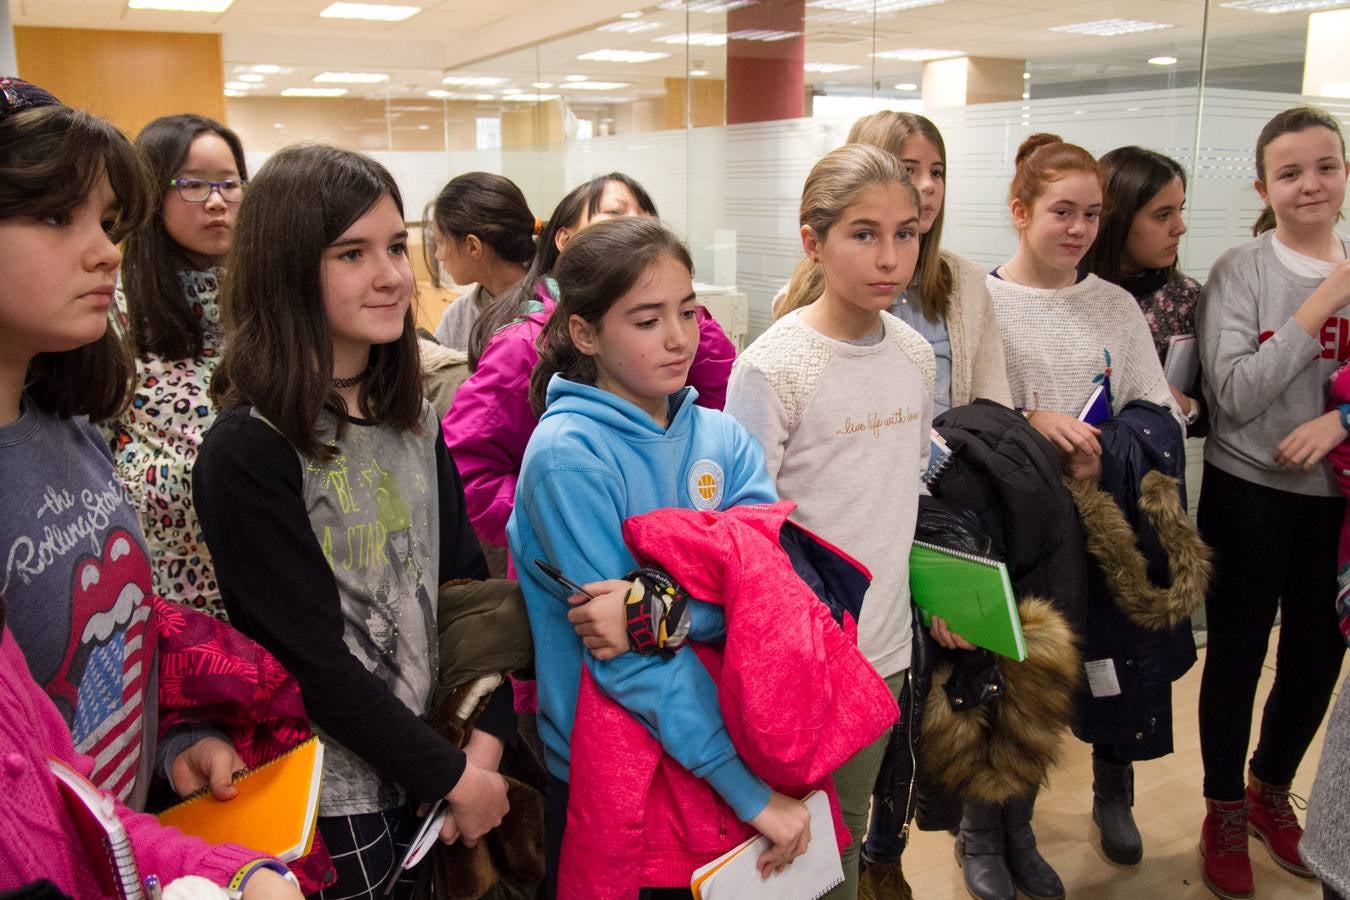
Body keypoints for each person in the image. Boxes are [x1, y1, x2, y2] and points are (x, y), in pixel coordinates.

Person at [193, 144, 515, 900]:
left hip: (440, 768)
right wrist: (455, 777)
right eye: (352, 252)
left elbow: (466, 593)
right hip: (332, 799)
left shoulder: (414, 417)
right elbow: (310, 663)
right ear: (287, 268)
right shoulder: (250, 447)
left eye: (396, 245)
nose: (393, 275)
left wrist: (485, 752)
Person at [506, 216, 811, 898]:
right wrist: (745, 790)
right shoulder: (569, 457)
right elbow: (626, 665)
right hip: (621, 762)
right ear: (584, 333)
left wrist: (662, 613)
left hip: (728, 738)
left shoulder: (723, 440)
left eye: (688, 311)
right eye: (646, 320)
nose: (678, 338)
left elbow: (773, 597)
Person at [0, 74, 260, 818]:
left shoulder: (67, 422)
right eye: (55, 217)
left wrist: (177, 739)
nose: (104, 252)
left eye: (109, 222)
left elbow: (105, 649)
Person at [725, 143, 939, 900]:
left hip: (884, 649)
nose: (889, 257)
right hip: (804, 665)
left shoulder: (913, 353)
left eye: (905, 233)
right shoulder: (772, 366)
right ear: (813, 241)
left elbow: (903, 492)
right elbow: (744, 535)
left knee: (848, 836)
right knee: (797, 856)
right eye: (863, 234)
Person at [981, 133, 1181, 900]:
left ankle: (1113, 788)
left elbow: (1154, 408)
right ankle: (994, 830)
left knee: (1109, 663)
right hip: (1020, 528)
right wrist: (1033, 418)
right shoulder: (982, 302)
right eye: (1061, 211)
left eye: (1092, 214)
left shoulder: (1114, 305)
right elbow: (967, 413)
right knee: (1012, 683)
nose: (1077, 229)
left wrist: (1117, 453)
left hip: (1102, 522)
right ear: (1020, 210)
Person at [1195, 105, 1350, 900]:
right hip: (1247, 490)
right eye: (1290, 173)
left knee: (1318, 659)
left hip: (1339, 503)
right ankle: (1222, 805)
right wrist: (1327, 298)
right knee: (1236, 655)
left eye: (1325, 166)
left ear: (1346, 173)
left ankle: (1267, 786)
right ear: (1264, 186)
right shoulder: (1240, 272)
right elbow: (1236, 395)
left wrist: (1341, 417)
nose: (1310, 184)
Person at [443, 173, 737, 562]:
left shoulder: (688, 332)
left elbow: (723, 430)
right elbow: (465, 467)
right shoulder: (525, 346)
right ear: (564, 239)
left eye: (646, 219)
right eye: (615, 215)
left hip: (678, 564)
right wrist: (556, 517)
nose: (635, 228)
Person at [104, 114, 248, 619]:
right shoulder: (113, 309)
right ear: (150, 193)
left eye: (229, 184)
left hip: (268, 576)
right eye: (192, 185)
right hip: (169, 596)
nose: (216, 202)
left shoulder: (265, 303)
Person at [1084, 145, 1206, 435]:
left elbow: (1211, 416)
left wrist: (1186, 406)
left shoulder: (1186, 298)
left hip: (1152, 470)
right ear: (1117, 219)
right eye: (1162, 215)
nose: (1180, 227)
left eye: (1180, 210)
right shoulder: (1068, 292)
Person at [428, 171, 535, 351]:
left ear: (473, 247)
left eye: (440, 242)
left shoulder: (550, 308)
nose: (438, 255)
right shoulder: (458, 315)